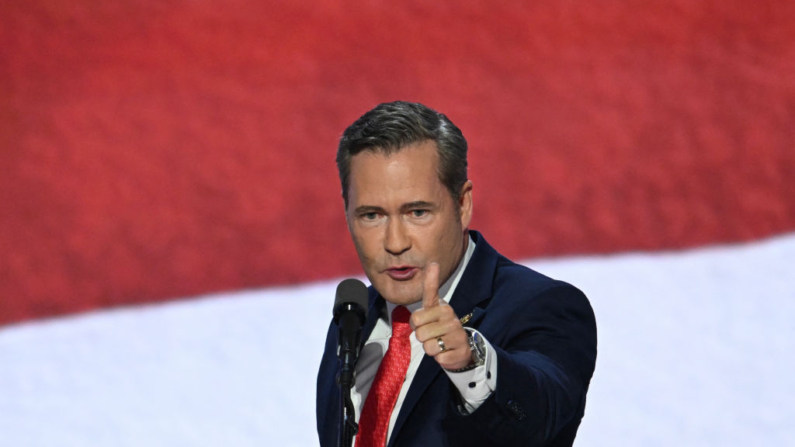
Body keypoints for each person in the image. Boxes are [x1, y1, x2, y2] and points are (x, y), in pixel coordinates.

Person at [316, 101, 597, 447]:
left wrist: (471, 363)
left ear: (462, 205)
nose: (395, 242)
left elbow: (541, 414)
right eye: (372, 216)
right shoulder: (352, 320)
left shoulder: (543, 306)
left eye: (417, 212)